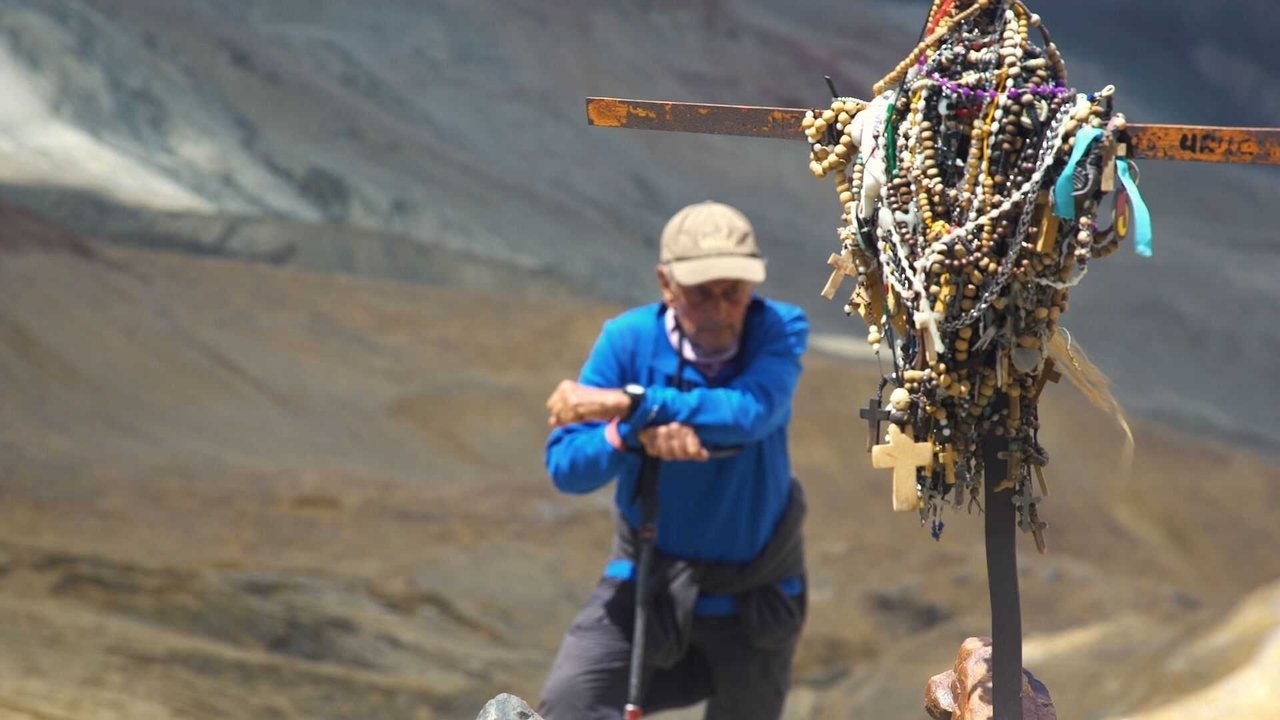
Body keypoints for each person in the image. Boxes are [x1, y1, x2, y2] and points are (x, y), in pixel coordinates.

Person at [537, 200, 810, 720]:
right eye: (700, 294)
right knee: (571, 702)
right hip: (646, 579)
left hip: (755, 594)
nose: (721, 310)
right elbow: (567, 466)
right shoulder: (628, 339)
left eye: (734, 292)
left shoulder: (778, 328)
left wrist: (633, 402)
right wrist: (633, 434)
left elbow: (751, 412)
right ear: (665, 285)